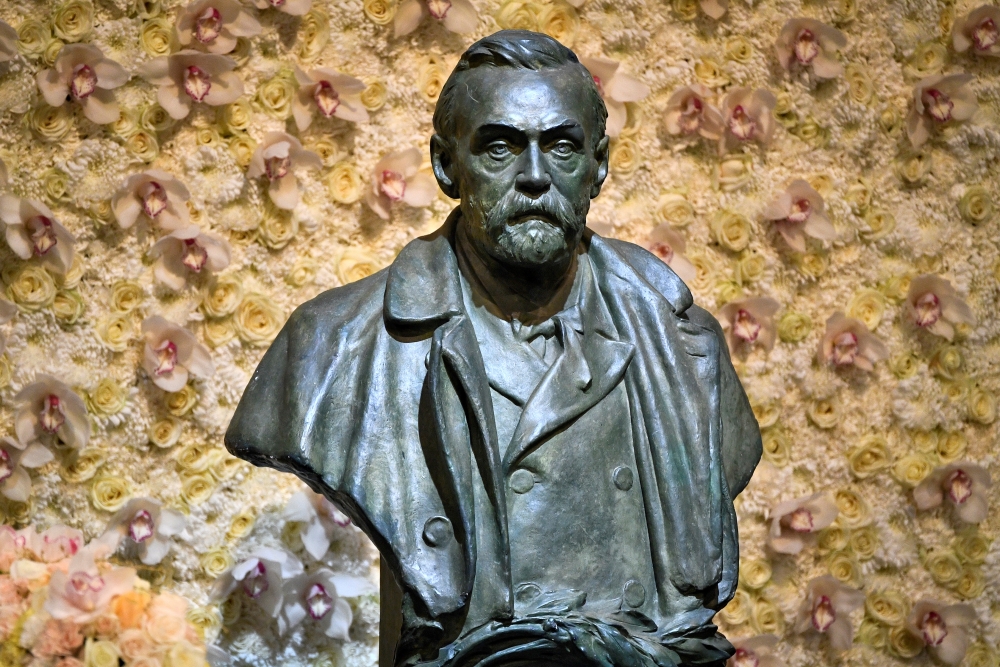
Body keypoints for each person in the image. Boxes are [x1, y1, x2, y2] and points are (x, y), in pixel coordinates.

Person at [225, 29, 762, 667]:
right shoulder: (333, 346)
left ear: (598, 165)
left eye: (561, 147)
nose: (535, 177)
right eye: (500, 148)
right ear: (446, 165)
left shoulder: (678, 340)